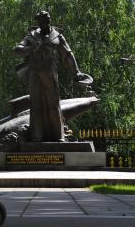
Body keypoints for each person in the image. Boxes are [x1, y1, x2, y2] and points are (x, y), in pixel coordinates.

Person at [14, 11, 90, 142]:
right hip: (35, 73)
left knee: (54, 104)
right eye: (42, 20)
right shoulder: (31, 36)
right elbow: (17, 49)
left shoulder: (58, 36)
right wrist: (31, 48)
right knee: (35, 104)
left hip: (50, 73)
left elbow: (68, 55)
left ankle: (59, 136)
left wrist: (76, 71)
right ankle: (36, 137)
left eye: (47, 19)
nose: (46, 22)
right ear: (39, 22)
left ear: (49, 20)